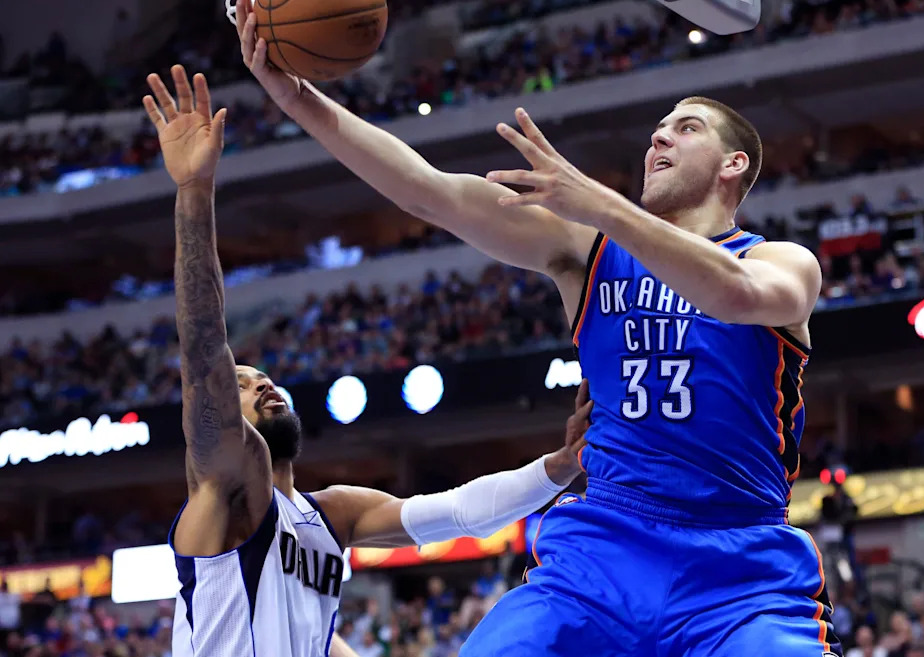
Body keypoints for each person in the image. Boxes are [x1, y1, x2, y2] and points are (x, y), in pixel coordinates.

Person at [232, 0, 839, 654]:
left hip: (738, 564)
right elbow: (427, 193)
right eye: (656, 130)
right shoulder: (585, 249)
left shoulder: (781, 260)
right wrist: (294, 97)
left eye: (684, 128)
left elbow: (733, 295)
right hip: (603, 548)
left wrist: (602, 204)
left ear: (733, 164)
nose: (659, 139)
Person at [141, 66, 592, 657]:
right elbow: (204, 348)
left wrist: (557, 467)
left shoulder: (330, 517)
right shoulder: (228, 484)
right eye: (245, 387)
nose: (263, 386)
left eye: (266, 378)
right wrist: (194, 192)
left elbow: (455, 515)